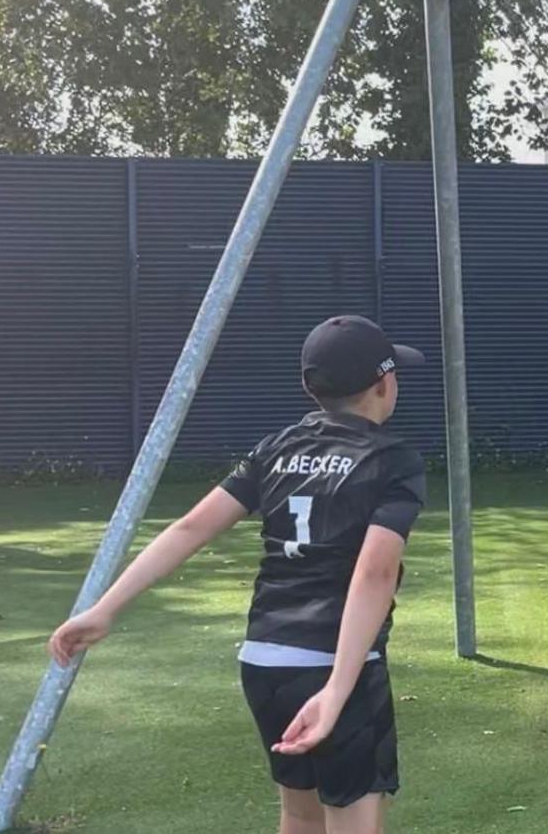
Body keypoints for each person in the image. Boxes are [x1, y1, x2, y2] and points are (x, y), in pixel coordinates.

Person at [48, 315, 427, 834]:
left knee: (298, 813)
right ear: (385, 383)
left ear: (309, 387)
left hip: (264, 662)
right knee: (354, 818)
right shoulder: (392, 459)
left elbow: (188, 529)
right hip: (336, 663)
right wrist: (339, 688)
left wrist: (106, 608)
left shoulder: (274, 448)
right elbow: (374, 573)